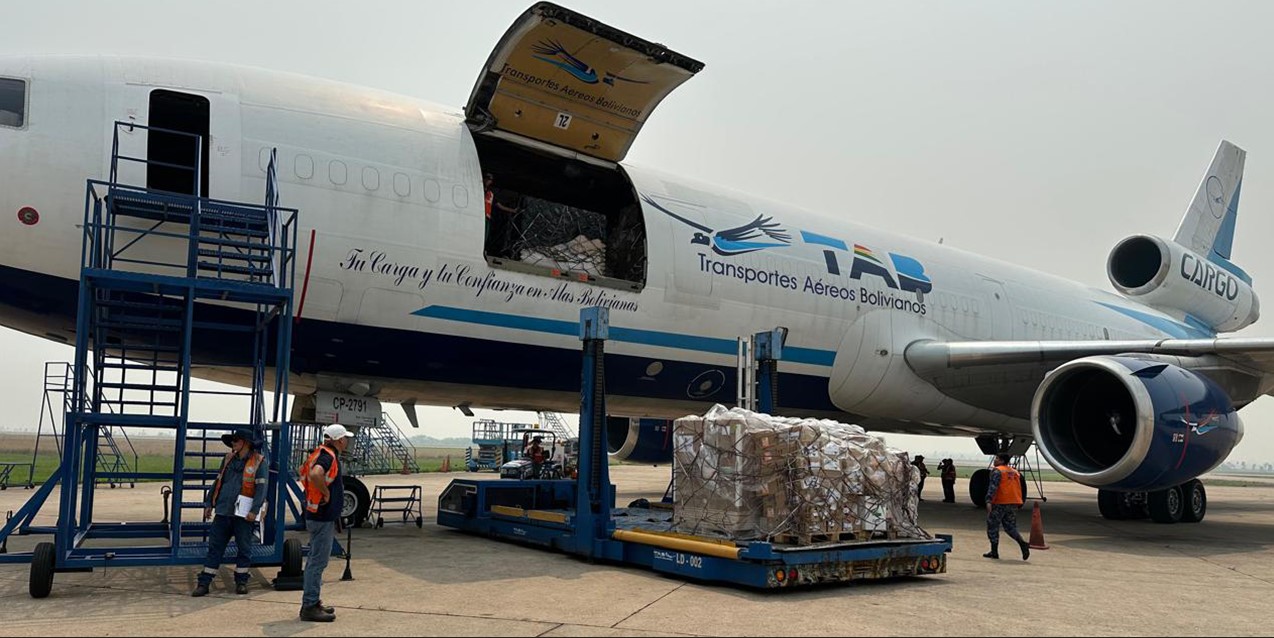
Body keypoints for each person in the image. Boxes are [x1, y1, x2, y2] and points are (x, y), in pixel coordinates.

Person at [192, 428, 267, 597]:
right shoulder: (227, 459)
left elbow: (261, 489)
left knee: (244, 548)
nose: (232, 444)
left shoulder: (259, 462)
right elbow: (218, 481)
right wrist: (209, 503)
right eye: (232, 441)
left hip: (243, 515)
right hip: (223, 511)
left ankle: (241, 581)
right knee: (215, 547)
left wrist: (255, 510)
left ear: (245, 443)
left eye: (236, 440)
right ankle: (204, 583)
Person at [297, 423, 355, 622]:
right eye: (345, 438)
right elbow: (314, 474)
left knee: (315, 561)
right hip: (321, 517)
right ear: (339, 440)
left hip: (316, 514)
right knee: (317, 562)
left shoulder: (319, 453)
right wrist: (326, 492)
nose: (347, 441)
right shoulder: (327, 456)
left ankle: (313, 601)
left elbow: (302, 471)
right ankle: (310, 606)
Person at [984, 453, 1030, 561]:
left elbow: (993, 487)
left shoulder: (997, 471)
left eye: (997, 458)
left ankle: (994, 551)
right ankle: (1022, 543)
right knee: (1010, 527)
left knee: (993, 526)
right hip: (1013, 502)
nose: (995, 460)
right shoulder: (1015, 472)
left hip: (1000, 502)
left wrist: (988, 500)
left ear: (1001, 460)